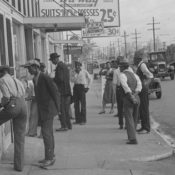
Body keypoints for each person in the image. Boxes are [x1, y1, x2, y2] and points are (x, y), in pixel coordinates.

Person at [23, 59, 61, 168]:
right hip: (44, 109)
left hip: (48, 110)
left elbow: (55, 92)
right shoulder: (36, 78)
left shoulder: (44, 77)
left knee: (46, 134)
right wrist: (32, 97)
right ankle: (50, 155)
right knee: (48, 133)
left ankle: (49, 158)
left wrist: (59, 109)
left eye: (29, 68)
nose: (28, 70)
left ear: (35, 67)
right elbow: (42, 95)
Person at [0, 65, 27, 171]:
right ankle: (19, 166)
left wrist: (1, 105)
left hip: (13, 105)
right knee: (20, 137)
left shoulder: (2, 80)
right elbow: (24, 92)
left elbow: (6, 97)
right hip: (23, 105)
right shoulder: (16, 80)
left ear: (1, 73)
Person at [119, 59, 142, 144]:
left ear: (123, 67)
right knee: (135, 118)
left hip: (128, 99)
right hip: (137, 98)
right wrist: (135, 96)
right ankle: (132, 136)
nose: (119, 68)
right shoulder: (135, 75)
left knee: (129, 119)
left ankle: (132, 139)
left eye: (120, 67)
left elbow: (126, 88)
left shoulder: (122, 75)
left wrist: (131, 97)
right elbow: (139, 87)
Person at [49, 53, 72, 131]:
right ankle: (68, 125)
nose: (52, 62)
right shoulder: (64, 65)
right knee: (65, 109)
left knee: (61, 109)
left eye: (52, 60)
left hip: (62, 91)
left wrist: (52, 79)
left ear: (55, 59)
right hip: (66, 90)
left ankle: (64, 126)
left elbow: (60, 79)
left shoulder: (59, 67)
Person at [134, 50, 153, 134]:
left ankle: (146, 128)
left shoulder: (142, 65)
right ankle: (143, 126)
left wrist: (145, 84)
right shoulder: (139, 65)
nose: (134, 60)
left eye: (135, 58)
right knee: (141, 108)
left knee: (144, 108)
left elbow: (150, 76)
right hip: (141, 89)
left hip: (143, 89)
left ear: (138, 58)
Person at [112, 57, 125, 129]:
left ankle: (122, 124)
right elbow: (114, 83)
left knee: (121, 107)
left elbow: (114, 83)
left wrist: (114, 92)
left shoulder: (116, 71)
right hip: (121, 89)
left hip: (120, 89)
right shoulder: (117, 71)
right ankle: (122, 124)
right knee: (123, 107)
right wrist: (114, 92)